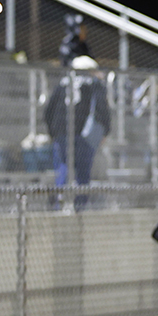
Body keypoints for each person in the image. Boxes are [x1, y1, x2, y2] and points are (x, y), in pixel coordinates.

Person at [44, 55, 109, 211]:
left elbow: (48, 111)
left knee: (63, 169)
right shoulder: (95, 84)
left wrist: (54, 132)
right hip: (84, 135)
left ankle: (60, 205)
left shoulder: (62, 83)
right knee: (82, 173)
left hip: (61, 132)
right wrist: (105, 131)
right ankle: (79, 207)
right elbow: (103, 109)